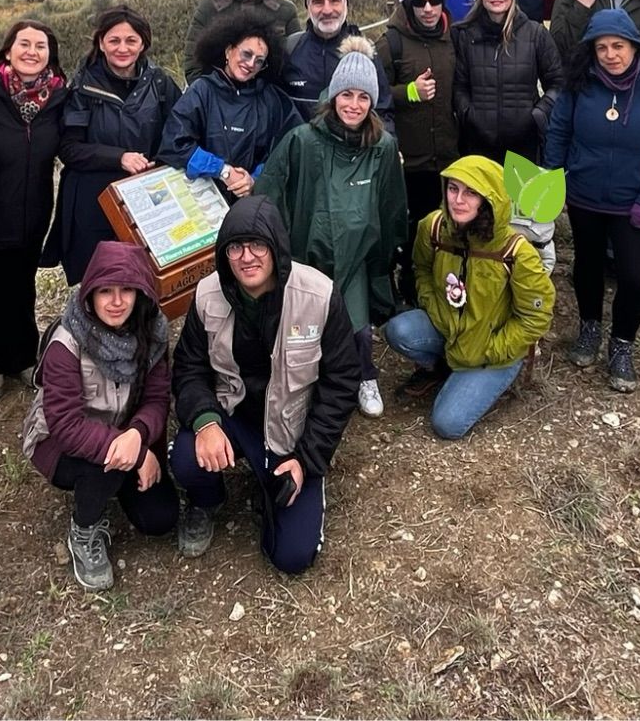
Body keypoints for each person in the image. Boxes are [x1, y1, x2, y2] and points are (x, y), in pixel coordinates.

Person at [168, 197, 360, 575]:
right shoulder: (208, 295)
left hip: (292, 431)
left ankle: (274, 484)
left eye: (258, 245)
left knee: (291, 557)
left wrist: (307, 460)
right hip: (234, 415)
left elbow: (341, 384)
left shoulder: (319, 295)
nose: (246, 257)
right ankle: (208, 499)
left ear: (277, 247)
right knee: (186, 458)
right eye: (235, 247)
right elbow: (189, 367)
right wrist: (206, 422)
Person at [253, 36, 409, 419]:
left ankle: (364, 376)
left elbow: (391, 205)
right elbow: (270, 190)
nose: (353, 105)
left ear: (372, 102)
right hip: (309, 251)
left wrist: (389, 253)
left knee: (358, 325)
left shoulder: (383, 146)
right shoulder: (304, 140)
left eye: (362, 97)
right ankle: (306, 382)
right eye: (346, 95)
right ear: (333, 95)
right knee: (306, 323)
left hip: (357, 254)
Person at [21, 240, 178, 593]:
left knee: (160, 519)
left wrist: (138, 433)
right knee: (104, 470)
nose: (117, 301)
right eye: (106, 291)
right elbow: (64, 424)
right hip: (60, 444)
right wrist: (137, 454)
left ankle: (120, 477)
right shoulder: (66, 343)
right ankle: (84, 529)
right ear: (90, 293)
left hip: (125, 432)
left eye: (127, 290)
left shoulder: (151, 333)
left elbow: (156, 398)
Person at [541, 10, 640, 391]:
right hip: (585, 197)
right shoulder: (577, 85)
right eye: (601, 47)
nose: (610, 54)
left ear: (634, 46)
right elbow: (558, 133)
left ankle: (622, 344)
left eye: (618, 46)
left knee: (635, 278)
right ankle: (589, 327)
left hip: (633, 202)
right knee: (587, 268)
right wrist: (555, 180)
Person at [382, 155, 554, 438]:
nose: (458, 200)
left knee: (447, 424)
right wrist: (434, 308)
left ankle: (482, 376)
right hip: (450, 329)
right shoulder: (433, 227)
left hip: (493, 350)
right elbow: (421, 269)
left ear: (489, 199)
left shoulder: (516, 252)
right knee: (399, 330)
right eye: (453, 189)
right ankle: (444, 365)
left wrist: (493, 349)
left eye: (471, 192)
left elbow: (536, 316)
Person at [49, 6, 182, 286]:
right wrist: (119, 158)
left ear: (143, 43)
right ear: (101, 43)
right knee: (100, 282)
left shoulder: (160, 83)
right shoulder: (82, 88)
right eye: (114, 40)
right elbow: (69, 149)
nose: (123, 48)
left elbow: (179, 135)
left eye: (131, 40)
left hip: (146, 199)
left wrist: (159, 163)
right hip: (93, 201)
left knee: (143, 280)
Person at [0, 21, 68, 400]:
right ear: (8, 50)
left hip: (36, 208)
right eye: (23, 43)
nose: (31, 51)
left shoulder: (58, 98)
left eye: (40, 45)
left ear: (50, 54)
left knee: (23, 282)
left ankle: (25, 357)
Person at [451, 0, 562, 271]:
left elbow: (557, 82)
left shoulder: (535, 33)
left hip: (523, 143)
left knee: (524, 221)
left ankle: (524, 278)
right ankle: (479, 275)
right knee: (479, 214)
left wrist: (538, 115)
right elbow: (459, 86)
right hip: (478, 141)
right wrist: (469, 114)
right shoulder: (465, 35)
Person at [158, 8, 302, 198]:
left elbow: (291, 146)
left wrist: (256, 178)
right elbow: (173, 144)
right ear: (228, 51)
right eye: (246, 54)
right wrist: (222, 170)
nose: (250, 64)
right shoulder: (202, 91)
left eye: (259, 61)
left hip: (252, 203)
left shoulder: (271, 99)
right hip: (205, 200)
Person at [381, 0, 460, 227]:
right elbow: (371, 98)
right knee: (414, 231)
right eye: (419, 2)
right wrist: (410, 92)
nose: (428, 9)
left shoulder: (455, 38)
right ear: (408, 4)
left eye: (434, 1)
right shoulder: (390, 43)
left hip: (451, 157)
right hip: (411, 163)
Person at [281, 0, 393, 126]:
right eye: (318, 2)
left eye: (335, 0)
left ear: (346, 4)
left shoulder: (364, 52)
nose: (327, 10)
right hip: (298, 149)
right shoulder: (290, 50)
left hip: (351, 150)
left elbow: (382, 111)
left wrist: (384, 148)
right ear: (307, 7)